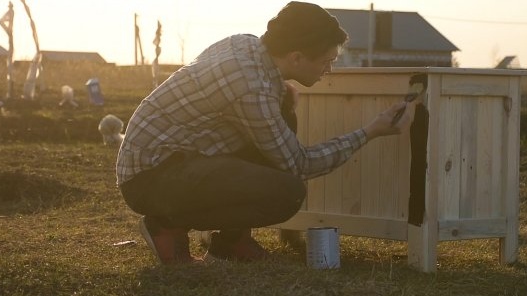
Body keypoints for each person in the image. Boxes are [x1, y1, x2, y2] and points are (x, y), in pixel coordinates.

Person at [116, 1, 421, 265]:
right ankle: (166, 225)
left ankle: (231, 241)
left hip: (172, 156)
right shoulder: (251, 87)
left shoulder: (246, 45)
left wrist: (279, 97)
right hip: (151, 176)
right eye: (326, 61)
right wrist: (369, 131)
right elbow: (298, 164)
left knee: (283, 116)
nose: (328, 70)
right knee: (287, 194)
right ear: (297, 57)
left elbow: (258, 115)